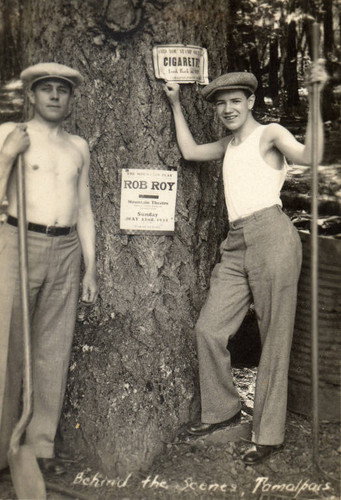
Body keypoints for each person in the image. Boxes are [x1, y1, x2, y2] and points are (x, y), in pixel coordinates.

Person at [164, 62, 328, 464]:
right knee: (208, 328)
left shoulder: (269, 134)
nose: (227, 109)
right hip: (235, 242)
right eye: (220, 104)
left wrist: (317, 99)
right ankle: (223, 411)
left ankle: (268, 434)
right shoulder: (228, 144)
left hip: (273, 235)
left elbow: (312, 156)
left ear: (251, 101)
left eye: (235, 101)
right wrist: (174, 103)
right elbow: (189, 152)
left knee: (274, 335)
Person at [0, 63, 98, 475]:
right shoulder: (9, 133)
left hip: (66, 250)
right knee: (7, 347)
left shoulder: (78, 146)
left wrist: (91, 267)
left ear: (71, 99)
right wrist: (7, 156)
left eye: (63, 90)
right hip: (17, 243)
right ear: (32, 97)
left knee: (53, 350)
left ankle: (40, 447)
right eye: (47, 90)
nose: (55, 96)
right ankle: (4, 446)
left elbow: (84, 210)